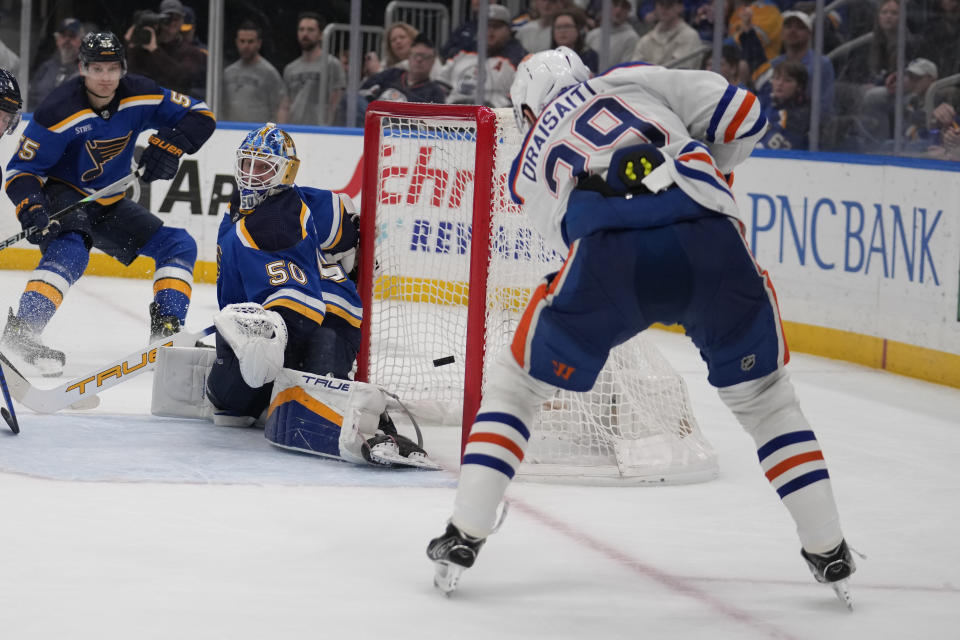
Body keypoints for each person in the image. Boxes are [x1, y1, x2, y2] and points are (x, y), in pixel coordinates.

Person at [426, 47, 856, 608]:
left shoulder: (526, 164)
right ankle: (829, 550)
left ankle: (464, 533)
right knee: (769, 402)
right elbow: (747, 116)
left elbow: (568, 239)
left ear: (528, 110)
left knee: (518, 386)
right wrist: (707, 168)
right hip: (709, 238)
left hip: (609, 261)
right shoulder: (631, 78)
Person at [205, 123, 435, 468]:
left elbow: (348, 255)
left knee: (312, 383)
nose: (252, 175)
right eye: (247, 164)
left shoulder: (289, 218)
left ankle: (366, 421)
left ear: (285, 172)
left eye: (263, 167)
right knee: (230, 410)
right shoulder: (242, 212)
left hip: (325, 322)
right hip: (284, 320)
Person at [0, 32, 215, 376]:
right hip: (64, 195)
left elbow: (202, 115)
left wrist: (173, 144)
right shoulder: (58, 110)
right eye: (96, 68)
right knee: (72, 249)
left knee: (179, 245)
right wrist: (32, 207)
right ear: (82, 68)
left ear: (123, 69)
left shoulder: (141, 94)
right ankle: (23, 332)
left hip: (109, 201)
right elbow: (21, 170)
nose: (104, 76)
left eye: (112, 68)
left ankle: (167, 333)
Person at [339, 34, 447, 123]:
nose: (419, 60)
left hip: (403, 136)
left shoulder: (435, 92)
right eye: (415, 55)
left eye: (424, 56)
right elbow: (361, 95)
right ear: (408, 57)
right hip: (371, 128)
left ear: (433, 61)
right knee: (350, 98)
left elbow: (432, 129)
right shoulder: (392, 74)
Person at [439, 4, 527, 107]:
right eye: (486, 25)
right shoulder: (462, 52)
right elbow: (440, 85)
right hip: (455, 114)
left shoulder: (519, 59)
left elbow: (522, 96)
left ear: (508, 30)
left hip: (495, 116)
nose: (491, 30)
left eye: (497, 26)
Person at [758, 11, 834, 118]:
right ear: (782, 33)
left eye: (800, 27)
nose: (793, 31)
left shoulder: (821, 63)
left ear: (809, 34)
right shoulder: (774, 63)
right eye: (788, 27)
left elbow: (824, 105)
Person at [125, 0, 207, 99]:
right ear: (159, 20)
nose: (172, 22)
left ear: (182, 21)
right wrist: (132, 46)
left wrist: (155, 50)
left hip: (175, 108)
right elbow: (133, 76)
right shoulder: (146, 47)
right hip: (148, 105)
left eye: (176, 18)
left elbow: (182, 78)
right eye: (167, 18)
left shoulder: (193, 52)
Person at [281, 12, 345, 126]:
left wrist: (327, 128)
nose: (305, 34)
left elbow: (335, 102)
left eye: (310, 30)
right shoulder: (290, 68)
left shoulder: (332, 64)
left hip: (320, 129)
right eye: (301, 29)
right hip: (294, 129)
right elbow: (285, 105)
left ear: (321, 34)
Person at [222, 21, 288, 123]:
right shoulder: (228, 73)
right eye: (242, 41)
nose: (246, 46)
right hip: (231, 131)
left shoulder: (269, 73)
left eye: (250, 41)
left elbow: (280, 107)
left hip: (259, 132)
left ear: (259, 43)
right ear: (237, 42)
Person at [28, 18, 85, 107]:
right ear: (57, 40)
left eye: (72, 36)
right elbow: (29, 100)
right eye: (63, 36)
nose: (67, 40)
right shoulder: (45, 68)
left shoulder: (87, 71)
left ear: (81, 41)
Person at [630, 0, 703, 68]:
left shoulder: (690, 36)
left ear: (680, 7)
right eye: (661, 4)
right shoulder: (645, 40)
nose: (664, 8)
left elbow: (680, 70)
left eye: (669, 4)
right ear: (655, 7)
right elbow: (634, 69)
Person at [758, 60, 811, 149]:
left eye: (787, 80)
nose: (780, 83)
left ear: (799, 87)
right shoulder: (766, 101)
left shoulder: (799, 116)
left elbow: (766, 149)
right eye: (777, 78)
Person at [585, 0, 640, 67]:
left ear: (628, 11)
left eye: (624, 6)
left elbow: (624, 71)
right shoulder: (592, 35)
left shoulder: (632, 38)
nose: (619, 10)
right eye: (615, 4)